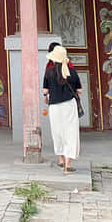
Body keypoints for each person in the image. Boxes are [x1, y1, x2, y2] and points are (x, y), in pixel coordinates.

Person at [43, 45, 81, 174]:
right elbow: (79, 90)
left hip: (54, 107)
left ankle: (60, 161)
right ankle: (68, 165)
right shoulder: (72, 72)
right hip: (69, 106)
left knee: (57, 133)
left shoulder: (48, 72)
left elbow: (45, 90)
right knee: (70, 133)